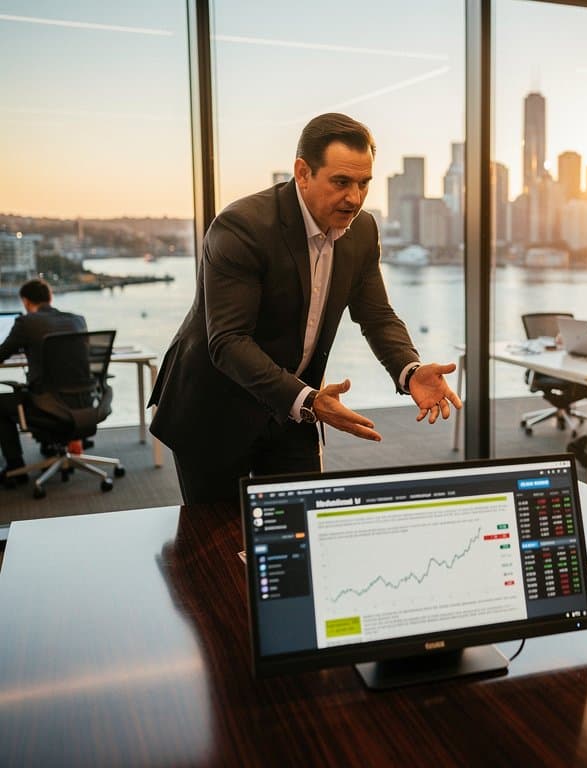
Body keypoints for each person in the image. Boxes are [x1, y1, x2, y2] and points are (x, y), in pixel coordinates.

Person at [149, 113, 461, 505]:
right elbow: (228, 341)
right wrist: (310, 399)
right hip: (216, 406)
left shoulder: (361, 230)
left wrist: (409, 369)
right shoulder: (241, 227)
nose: (355, 197)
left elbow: (376, 314)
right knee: (218, 545)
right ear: (302, 173)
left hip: (294, 407)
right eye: (341, 182)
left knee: (302, 528)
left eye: (364, 183)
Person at [0, 278, 87, 487]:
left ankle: (16, 467)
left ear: (26, 302)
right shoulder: (78, 320)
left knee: (1, 403)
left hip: (46, 406)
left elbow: (2, 353)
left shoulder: (26, 323)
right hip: (83, 402)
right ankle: (51, 446)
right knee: (47, 390)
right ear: (50, 297)